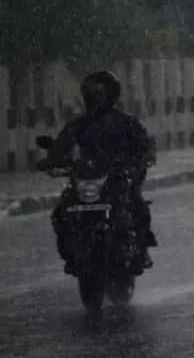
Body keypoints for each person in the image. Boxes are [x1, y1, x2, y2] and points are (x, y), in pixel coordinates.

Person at [41, 70, 156, 274]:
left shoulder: (126, 122)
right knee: (62, 210)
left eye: (100, 94)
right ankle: (70, 253)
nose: (96, 99)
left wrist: (145, 156)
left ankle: (140, 250)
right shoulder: (79, 124)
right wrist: (50, 160)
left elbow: (144, 144)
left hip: (118, 176)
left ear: (111, 95)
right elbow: (62, 144)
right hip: (88, 178)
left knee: (136, 204)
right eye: (92, 94)